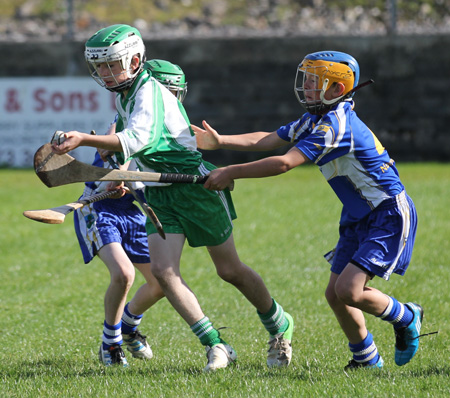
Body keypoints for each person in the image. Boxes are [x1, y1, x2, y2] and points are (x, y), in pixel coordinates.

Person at [52, 24, 294, 372]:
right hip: (161, 195)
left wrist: (84, 140)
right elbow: (131, 149)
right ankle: (216, 344)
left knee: (230, 271)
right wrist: (123, 173)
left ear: (136, 60)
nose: (105, 73)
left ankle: (278, 324)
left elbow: (136, 137)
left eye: (112, 64)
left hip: (197, 190)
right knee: (164, 273)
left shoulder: (149, 92)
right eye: (100, 67)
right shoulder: (124, 95)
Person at [192, 50, 423, 370]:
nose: (307, 88)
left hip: (387, 213)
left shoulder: (335, 126)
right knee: (335, 294)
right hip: (358, 214)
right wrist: (220, 141)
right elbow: (269, 139)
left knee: (348, 290)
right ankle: (366, 359)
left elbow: (286, 162)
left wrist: (232, 172)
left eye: (315, 82)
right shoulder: (317, 117)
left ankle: (407, 316)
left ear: (337, 89)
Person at [73, 58, 188, 368]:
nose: (171, 101)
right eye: (168, 92)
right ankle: (110, 343)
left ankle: (128, 327)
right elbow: (115, 145)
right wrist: (119, 172)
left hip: (136, 212)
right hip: (101, 208)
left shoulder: (173, 131)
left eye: (175, 95)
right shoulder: (127, 116)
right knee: (123, 274)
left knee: (161, 282)